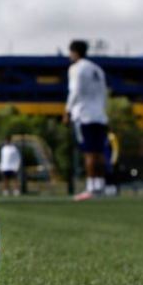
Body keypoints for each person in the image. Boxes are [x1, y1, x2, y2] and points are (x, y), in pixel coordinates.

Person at [63, 40, 109, 201]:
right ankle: (100, 185)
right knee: (99, 153)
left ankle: (90, 187)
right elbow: (104, 93)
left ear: (75, 52)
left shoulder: (76, 68)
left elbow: (75, 91)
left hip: (84, 115)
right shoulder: (98, 69)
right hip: (100, 116)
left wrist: (67, 110)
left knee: (88, 153)